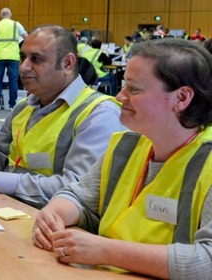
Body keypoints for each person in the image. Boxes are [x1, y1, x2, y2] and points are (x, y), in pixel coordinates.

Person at [33, 39, 212, 278]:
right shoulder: (125, 146)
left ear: (181, 99)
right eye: (124, 85)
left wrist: (105, 251)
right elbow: (79, 197)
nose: (120, 96)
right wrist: (53, 215)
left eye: (134, 89)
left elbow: (207, 261)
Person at [0, 26, 123, 208]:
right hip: (7, 207)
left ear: (68, 64)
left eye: (36, 59)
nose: (23, 67)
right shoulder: (24, 107)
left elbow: (77, 189)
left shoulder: (99, 114)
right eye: (23, 57)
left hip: (52, 222)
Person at [0, 8, 27, 110]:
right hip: (13, 56)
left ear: (1, 15)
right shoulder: (16, 25)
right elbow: (26, 36)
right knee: (13, 80)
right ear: (10, 14)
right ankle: (12, 105)